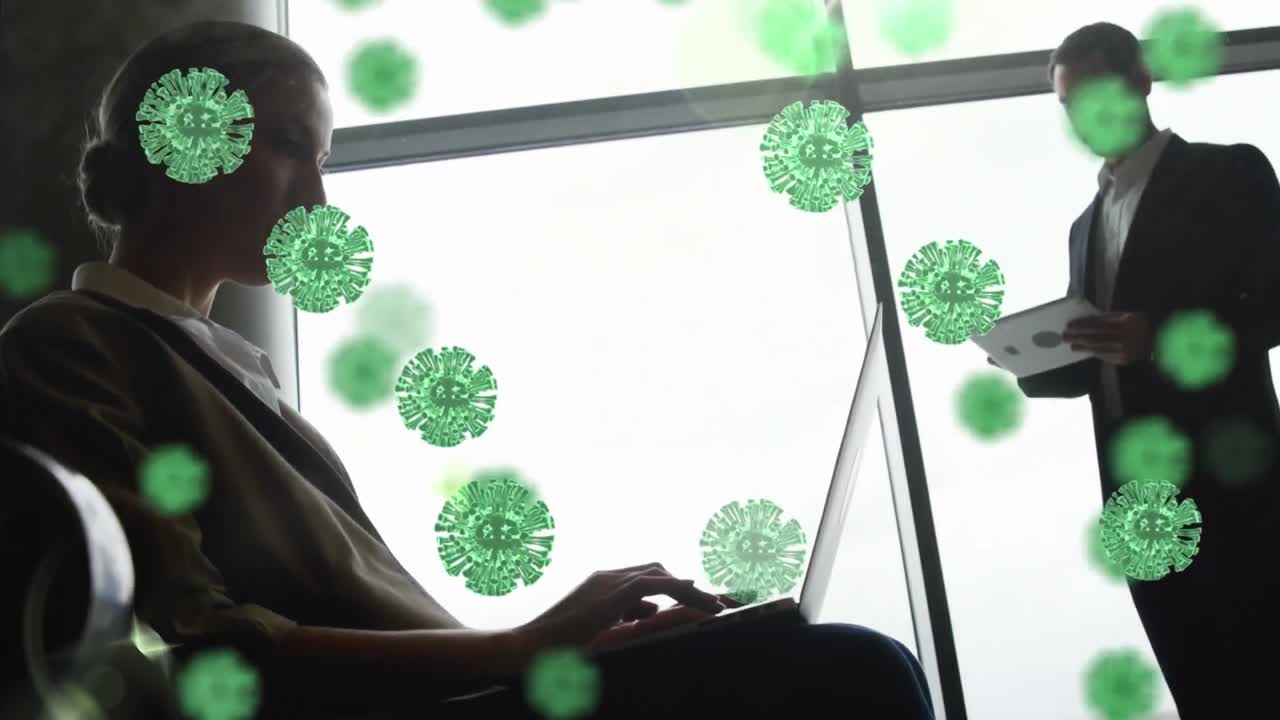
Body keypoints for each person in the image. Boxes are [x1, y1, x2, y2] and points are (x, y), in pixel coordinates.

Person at [0, 21, 935, 719]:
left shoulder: (221, 372)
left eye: (322, 160)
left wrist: (580, 648)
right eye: (289, 146)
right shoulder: (74, 341)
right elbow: (203, 639)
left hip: (464, 692)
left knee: (828, 664)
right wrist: (523, 649)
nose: (318, 198)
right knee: (852, 674)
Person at [1000, 22, 1280, 719]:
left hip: (1234, 492)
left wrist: (1157, 336)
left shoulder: (1227, 172)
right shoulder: (1084, 225)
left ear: (1142, 81)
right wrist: (1033, 359)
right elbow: (1107, 359)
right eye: (1069, 105)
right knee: (1204, 692)